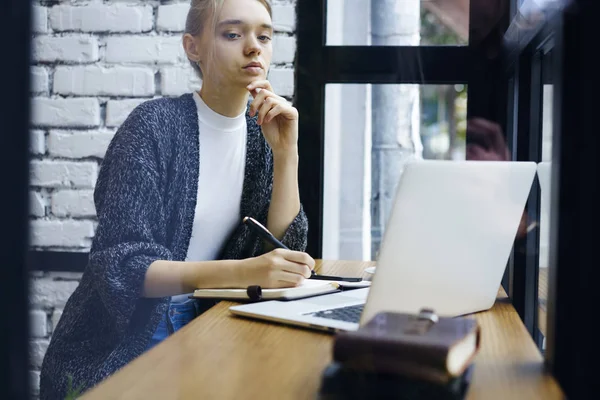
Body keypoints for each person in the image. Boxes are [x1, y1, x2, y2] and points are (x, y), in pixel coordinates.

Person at [39, 0, 314, 398]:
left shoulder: (261, 136)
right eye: (233, 34)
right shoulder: (151, 127)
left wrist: (287, 153)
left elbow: (284, 250)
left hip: (218, 320)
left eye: (265, 36)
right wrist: (242, 273)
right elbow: (124, 267)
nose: (254, 47)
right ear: (193, 47)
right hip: (131, 337)